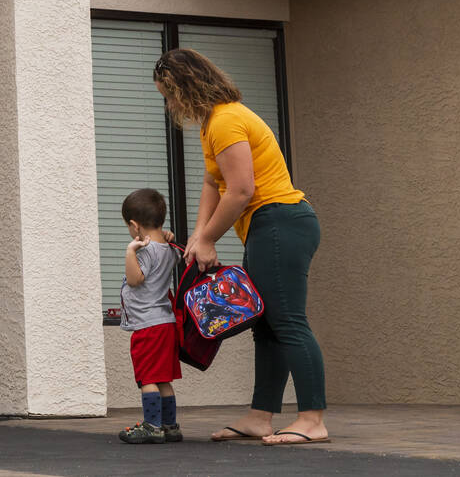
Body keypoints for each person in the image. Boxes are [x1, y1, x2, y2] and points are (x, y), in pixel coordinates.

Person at [153, 48, 329, 446]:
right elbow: (212, 185)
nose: (169, 103)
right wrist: (198, 236)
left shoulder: (228, 120)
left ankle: (313, 418)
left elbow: (242, 189)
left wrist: (211, 238)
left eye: (168, 93)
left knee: (287, 322)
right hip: (267, 226)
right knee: (267, 325)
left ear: (185, 86)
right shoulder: (213, 122)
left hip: (280, 221)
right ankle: (259, 416)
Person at [116, 189, 182, 445]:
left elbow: (135, 279)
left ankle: (152, 426)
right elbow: (168, 250)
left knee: (147, 378)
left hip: (148, 325)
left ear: (134, 226)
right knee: (163, 377)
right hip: (166, 322)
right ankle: (170, 425)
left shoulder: (143, 250)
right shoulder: (169, 247)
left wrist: (130, 251)